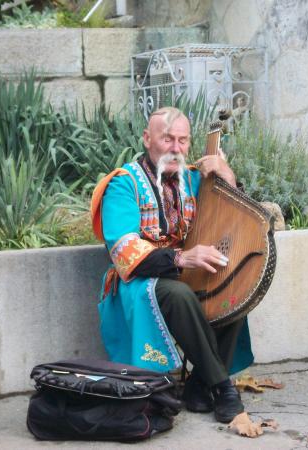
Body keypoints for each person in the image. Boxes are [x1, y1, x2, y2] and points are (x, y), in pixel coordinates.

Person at [90, 106, 254, 423]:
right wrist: (181, 257)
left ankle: (197, 384)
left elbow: (233, 218)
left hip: (187, 274)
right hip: (139, 281)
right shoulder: (123, 184)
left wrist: (229, 177)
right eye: (168, 139)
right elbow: (124, 250)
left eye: (183, 140)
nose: (176, 148)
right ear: (147, 139)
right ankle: (221, 387)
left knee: (235, 287)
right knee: (177, 294)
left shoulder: (195, 178)